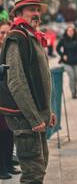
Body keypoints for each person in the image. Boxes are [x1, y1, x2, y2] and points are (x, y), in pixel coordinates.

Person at [0, 0, 55, 184]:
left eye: (38, 9)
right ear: (20, 12)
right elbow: (17, 82)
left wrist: (48, 111)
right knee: (33, 172)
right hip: (24, 117)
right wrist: (34, 117)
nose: (37, 13)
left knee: (40, 165)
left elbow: (39, 80)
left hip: (35, 116)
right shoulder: (17, 37)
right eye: (32, 9)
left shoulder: (31, 36)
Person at [0, 20, 21, 180]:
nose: (5, 36)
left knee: (8, 132)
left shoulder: (10, 49)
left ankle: (8, 163)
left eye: (8, 33)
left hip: (9, 97)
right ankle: (1, 168)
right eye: (2, 33)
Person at [56, 25, 77, 99]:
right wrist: (62, 55)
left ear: (74, 32)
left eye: (72, 31)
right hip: (67, 63)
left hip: (75, 62)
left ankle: (74, 88)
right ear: (66, 32)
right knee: (72, 77)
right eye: (69, 31)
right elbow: (57, 48)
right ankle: (73, 92)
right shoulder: (63, 39)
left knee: (76, 78)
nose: (70, 32)